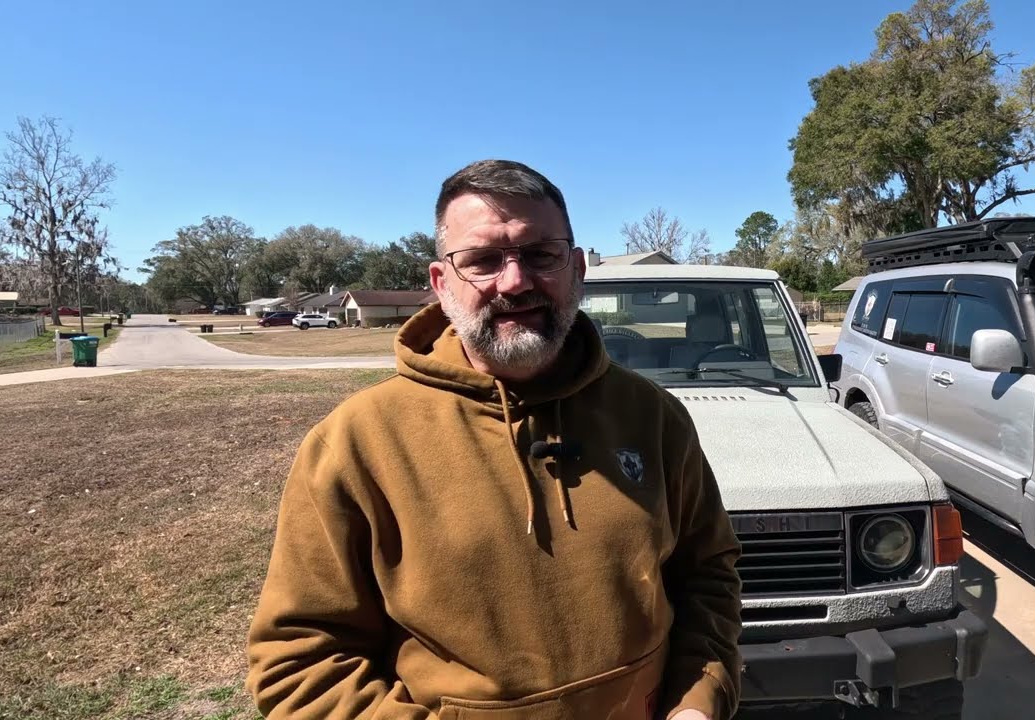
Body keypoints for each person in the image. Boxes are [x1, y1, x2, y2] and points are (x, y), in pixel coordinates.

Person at [245, 159, 743, 719]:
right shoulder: (357, 443)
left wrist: (697, 703)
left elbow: (707, 578)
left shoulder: (654, 417)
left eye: (540, 255)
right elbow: (300, 664)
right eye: (482, 260)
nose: (515, 281)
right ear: (441, 283)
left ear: (576, 269)